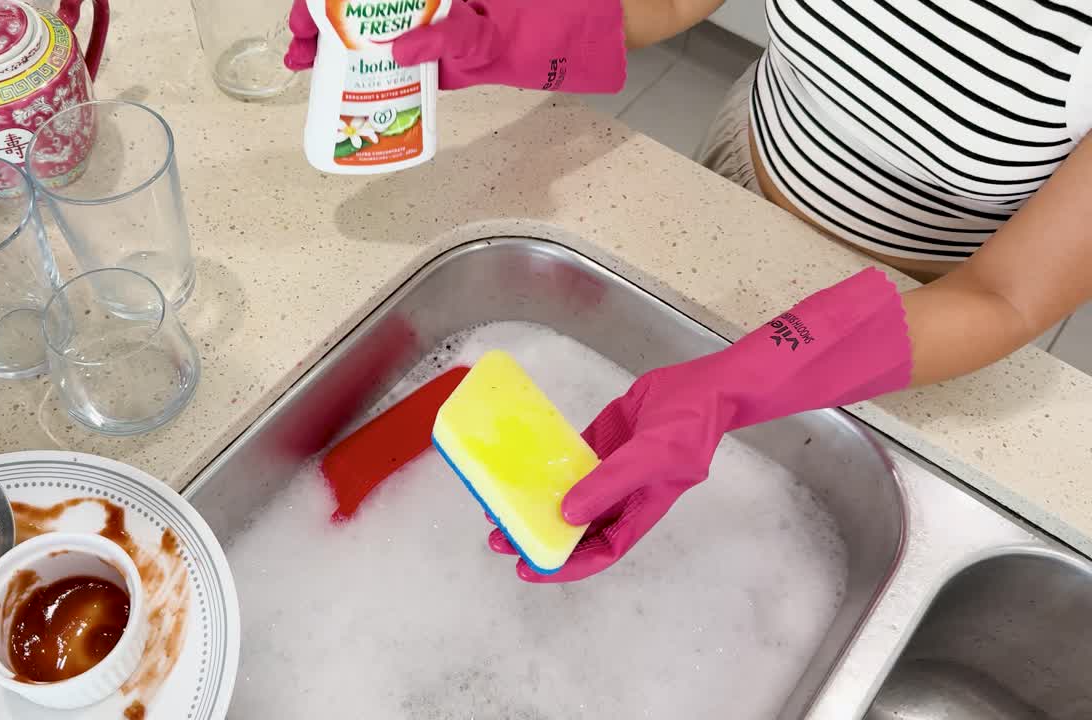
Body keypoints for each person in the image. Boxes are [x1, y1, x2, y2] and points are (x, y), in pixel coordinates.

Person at [285, 0, 1092, 582]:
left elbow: (1007, 297)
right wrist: (500, 30)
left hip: (918, 306)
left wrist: (734, 387)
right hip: (736, 185)